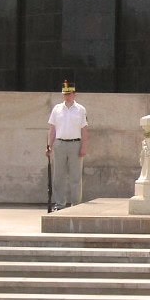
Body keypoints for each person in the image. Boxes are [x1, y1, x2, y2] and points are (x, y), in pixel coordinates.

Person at [46, 81, 89, 211]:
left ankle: (75, 205)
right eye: (65, 94)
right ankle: (60, 204)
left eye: (69, 94)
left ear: (75, 94)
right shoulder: (57, 109)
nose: (66, 96)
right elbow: (52, 129)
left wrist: (84, 147)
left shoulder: (81, 109)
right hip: (60, 144)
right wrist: (49, 146)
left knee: (76, 176)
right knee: (58, 176)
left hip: (75, 144)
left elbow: (84, 130)